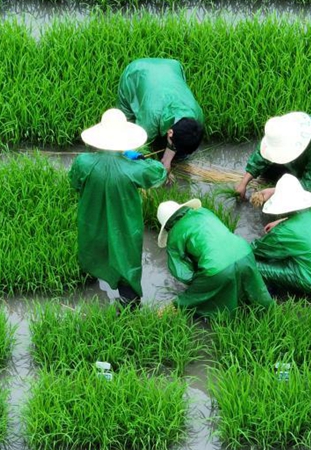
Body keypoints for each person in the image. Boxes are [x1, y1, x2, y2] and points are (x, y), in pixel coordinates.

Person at [70, 109, 166, 305]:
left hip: (92, 219)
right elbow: (159, 173)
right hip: (125, 223)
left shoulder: (83, 162)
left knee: (93, 247)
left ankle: (92, 283)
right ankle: (128, 303)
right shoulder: (133, 169)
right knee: (125, 255)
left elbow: (75, 183)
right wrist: (138, 158)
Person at [156, 199, 272, 317]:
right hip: (245, 253)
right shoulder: (204, 212)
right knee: (255, 291)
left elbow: (182, 272)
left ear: (167, 225)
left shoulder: (174, 235)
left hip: (216, 266)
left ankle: (170, 310)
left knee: (192, 297)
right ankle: (270, 314)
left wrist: (200, 280)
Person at [252, 174, 311, 295]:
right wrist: (282, 221)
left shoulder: (283, 232)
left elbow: (258, 250)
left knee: (252, 264)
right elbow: (306, 222)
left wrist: (239, 247)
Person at [234, 112, 311, 206]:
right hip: (302, 166)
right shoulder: (281, 131)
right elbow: (261, 156)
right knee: (268, 170)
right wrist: (244, 182)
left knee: (301, 204)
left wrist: (276, 191)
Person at [116, 58, 205, 174]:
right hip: (138, 71)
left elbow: (176, 143)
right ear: (170, 132)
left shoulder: (198, 115)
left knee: (180, 153)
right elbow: (135, 145)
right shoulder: (150, 118)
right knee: (124, 124)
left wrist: (166, 161)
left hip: (172, 66)